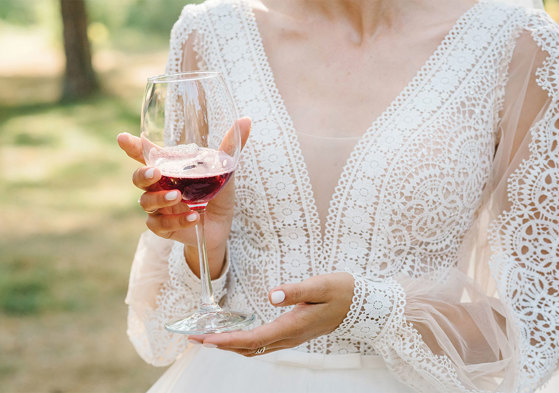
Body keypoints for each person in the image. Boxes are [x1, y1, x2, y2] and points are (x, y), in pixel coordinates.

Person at [117, 0, 559, 391]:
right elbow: (161, 321)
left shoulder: (519, 44)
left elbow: (540, 326)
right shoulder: (209, 32)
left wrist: (373, 311)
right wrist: (205, 252)